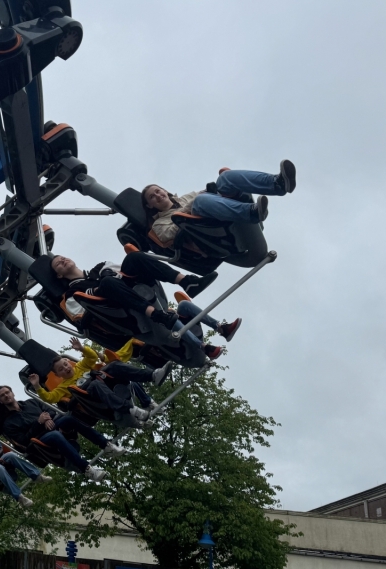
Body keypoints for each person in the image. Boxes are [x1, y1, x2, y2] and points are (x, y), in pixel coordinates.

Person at [51, 252, 223, 361]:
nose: (62, 260)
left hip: (144, 293)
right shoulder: (71, 294)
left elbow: (119, 271)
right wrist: (100, 289)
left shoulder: (100, 267)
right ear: (59, 275)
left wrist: (105, 281)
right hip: (128, 318)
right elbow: (84, 314)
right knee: (108, 283)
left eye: (63, 257)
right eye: (58, 263)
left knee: (134, 258)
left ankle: (187, 282)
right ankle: (154, 314)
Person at [142, 161, 297, 245]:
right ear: (150, 205)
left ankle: (278, 184)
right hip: (204, 229)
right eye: (152, 196)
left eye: (158, 190)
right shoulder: (159, 224)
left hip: (215, 209)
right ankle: (252, 212)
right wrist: (190, 207)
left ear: (165, 190)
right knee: (200, 200)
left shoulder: (185, 197)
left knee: (225, 177)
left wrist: (212, 188)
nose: (157, 195)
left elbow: (206, 194)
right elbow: (168, 235)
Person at [26, 337, 171, 422]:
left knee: (114, 366)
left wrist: (82, 349)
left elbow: (92, 357)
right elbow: (50, 398)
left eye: (65, 364)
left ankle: (152, 376)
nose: (66, 368)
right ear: (58, 375)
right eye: (61, 369)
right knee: (94, 383)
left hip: (108, 384)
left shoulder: (81, 367)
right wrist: (38, 386)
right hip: (96, 399)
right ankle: (131, 409)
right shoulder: (63, 387)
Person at [0, 386, 115, 479]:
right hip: (41, 439)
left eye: (7, 392)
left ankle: (105, 445)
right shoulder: (8, 424)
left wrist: (47, 419)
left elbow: (50, 410)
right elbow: (23, 441)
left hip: (52, 425)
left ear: (12, 393)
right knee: (55, 435)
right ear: (0, 401)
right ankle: (87, 469)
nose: (6, 395)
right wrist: (39, 422)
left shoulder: (31, 402)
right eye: (2, 395)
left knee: (68, 418)